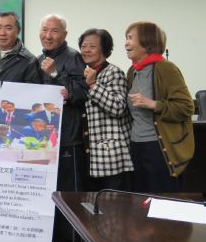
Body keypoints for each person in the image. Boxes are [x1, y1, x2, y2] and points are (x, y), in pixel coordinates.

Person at [37, 14, 88, 242]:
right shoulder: (38, 59)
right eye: (45, 30)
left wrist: (55, 74)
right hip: (44, 141)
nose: (48, 35)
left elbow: (81, 93)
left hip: (68, 139)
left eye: (54, 31)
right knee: (47, 195)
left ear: (64, 35)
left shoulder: (73, 57)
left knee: (69, 196)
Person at [124, 21, 194, 192]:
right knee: (140, 200)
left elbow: (186, 107)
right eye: (126, 38)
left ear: (146, 42)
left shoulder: (166, 68)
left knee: (162, 200)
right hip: (136, 146)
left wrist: (154, 104)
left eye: (130, 38)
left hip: (159, 149)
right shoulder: (132, 72)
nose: (126, 43)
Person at [78, 28, 133, 191]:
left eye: (92, 46)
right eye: (83, 46)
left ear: (104, 49)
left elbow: (118, 107)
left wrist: (93, 85)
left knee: (114, 204)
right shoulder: (82, 73)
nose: (86, 50)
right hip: (89, 156)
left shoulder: (114, 72)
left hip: (111, 157)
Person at [0, 11, 42, 84]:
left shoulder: (29, 61)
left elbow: (32, 89)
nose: (2, 33)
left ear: (18, 31)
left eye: (8, 28)